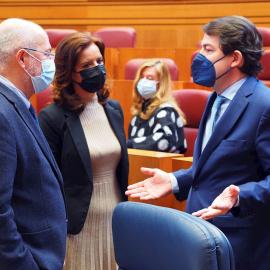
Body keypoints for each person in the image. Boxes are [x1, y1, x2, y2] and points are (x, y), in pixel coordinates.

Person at [126, 15, 270, 270]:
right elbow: (210, 168)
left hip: (239, 246)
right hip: (198, 237)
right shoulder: (215, 97)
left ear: (234, 58)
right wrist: (174, 181)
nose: (199, 57)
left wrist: (240, 197)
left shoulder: (264, 105)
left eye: (208, 49)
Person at [38, 31, 129, 270]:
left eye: (99, 61)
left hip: (115, 218)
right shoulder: (52, 117)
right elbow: (46, 183)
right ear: (68, 73)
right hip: (76, 227)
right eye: (87, 65)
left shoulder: (114, 109)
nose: (97, 68)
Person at [0, 18, 67, 269]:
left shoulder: (15, 104)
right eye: (46, 54)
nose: (51, 62)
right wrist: (24, 264)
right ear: (23, 59)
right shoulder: (2, 114)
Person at [127, 59, 187, 154]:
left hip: (165, 166)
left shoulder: (166, 111)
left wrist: (130, 144)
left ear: (161, 84)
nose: (143, 82)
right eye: (142, 77)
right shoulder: (140, 112)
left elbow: (164, 141)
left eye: (150, 78)